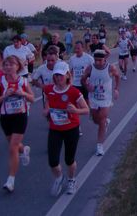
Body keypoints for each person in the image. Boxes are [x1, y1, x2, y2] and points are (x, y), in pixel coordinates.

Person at [43, 62, 89, 196]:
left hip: (71, 129)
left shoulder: (74, 92)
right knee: (52, 161)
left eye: (61, 75)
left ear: (68, 75)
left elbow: (86, 110)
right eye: (56, 75)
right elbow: (47, 100)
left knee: (69, 159)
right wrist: (46, 109)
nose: (58, 78)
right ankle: (59, 177)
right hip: (55, 129)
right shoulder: (48, 89)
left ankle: (71, 179)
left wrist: (75, 110)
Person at [0, 55, 34, 193]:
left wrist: (23, 94)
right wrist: (4, 96)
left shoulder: (23, 81)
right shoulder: (0, 81)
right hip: (6, 117)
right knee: (13, 144)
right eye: (6, 65)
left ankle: (11, 180)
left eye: (12, 64)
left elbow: (32, 98)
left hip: (20, 116)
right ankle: (24, 150)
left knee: (12, 148)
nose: (8, 67)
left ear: (18, 66)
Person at [81, 50, 120, 156]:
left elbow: (117, 76)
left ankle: (99, 146)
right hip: (93, 98)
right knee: (95, 120)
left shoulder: (110, 68)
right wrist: (87, 86)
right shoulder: (90, 68)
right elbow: (83, 79)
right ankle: (105, 122)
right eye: (96, 60)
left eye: (100, 60)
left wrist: (116, 89)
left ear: (105, 59)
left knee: (101, 120)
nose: (98, 62)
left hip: (105, 99)